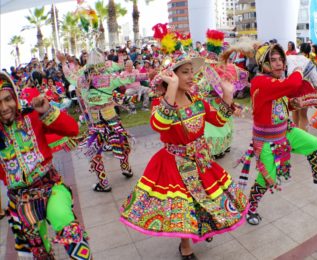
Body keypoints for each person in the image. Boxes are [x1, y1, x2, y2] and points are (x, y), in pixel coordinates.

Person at [120, 55, 247, 259]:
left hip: (201, 160)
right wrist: (171, 88)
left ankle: (203, 227)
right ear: (172, 76)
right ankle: (185, 246)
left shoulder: (196, 101)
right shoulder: (159, 103)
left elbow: (219, 120)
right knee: (184, 205)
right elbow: (159, 125)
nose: (191, 77)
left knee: (204, 199)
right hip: (175, 163)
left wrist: (227, 94)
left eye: (191, 72)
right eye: (184, 72)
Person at [238, 44, 317, 225]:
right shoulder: (260, 82)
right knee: (267, 179)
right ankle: (250, 209)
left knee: (315, 144)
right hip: (266, 140)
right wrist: (299, 67)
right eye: (273, 61)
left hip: (285, 131)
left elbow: (281, 104)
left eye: (281, 60)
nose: (279, 64)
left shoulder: (276, 80)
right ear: (263, 65)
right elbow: (293, 83)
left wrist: (296, 103)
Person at [0, 72, 91, 259]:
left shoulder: (32, 117)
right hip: (20, 200)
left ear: (15, 97)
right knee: (37, 251)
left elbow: (72, 129)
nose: (3, 107)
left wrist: (47, 111)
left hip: (50, 188)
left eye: (7, 99)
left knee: (65, 223)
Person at [58, 50, 146, 192]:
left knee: (94, 150)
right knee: (120, 141)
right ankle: (126, 168)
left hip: (96, 122)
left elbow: (69, 75)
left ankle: (104, 183)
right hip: (111, 118)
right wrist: (149, 75)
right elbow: (130, 77)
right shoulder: (108, 77)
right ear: (103, 64)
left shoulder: (81, 80)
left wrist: (63, 62)